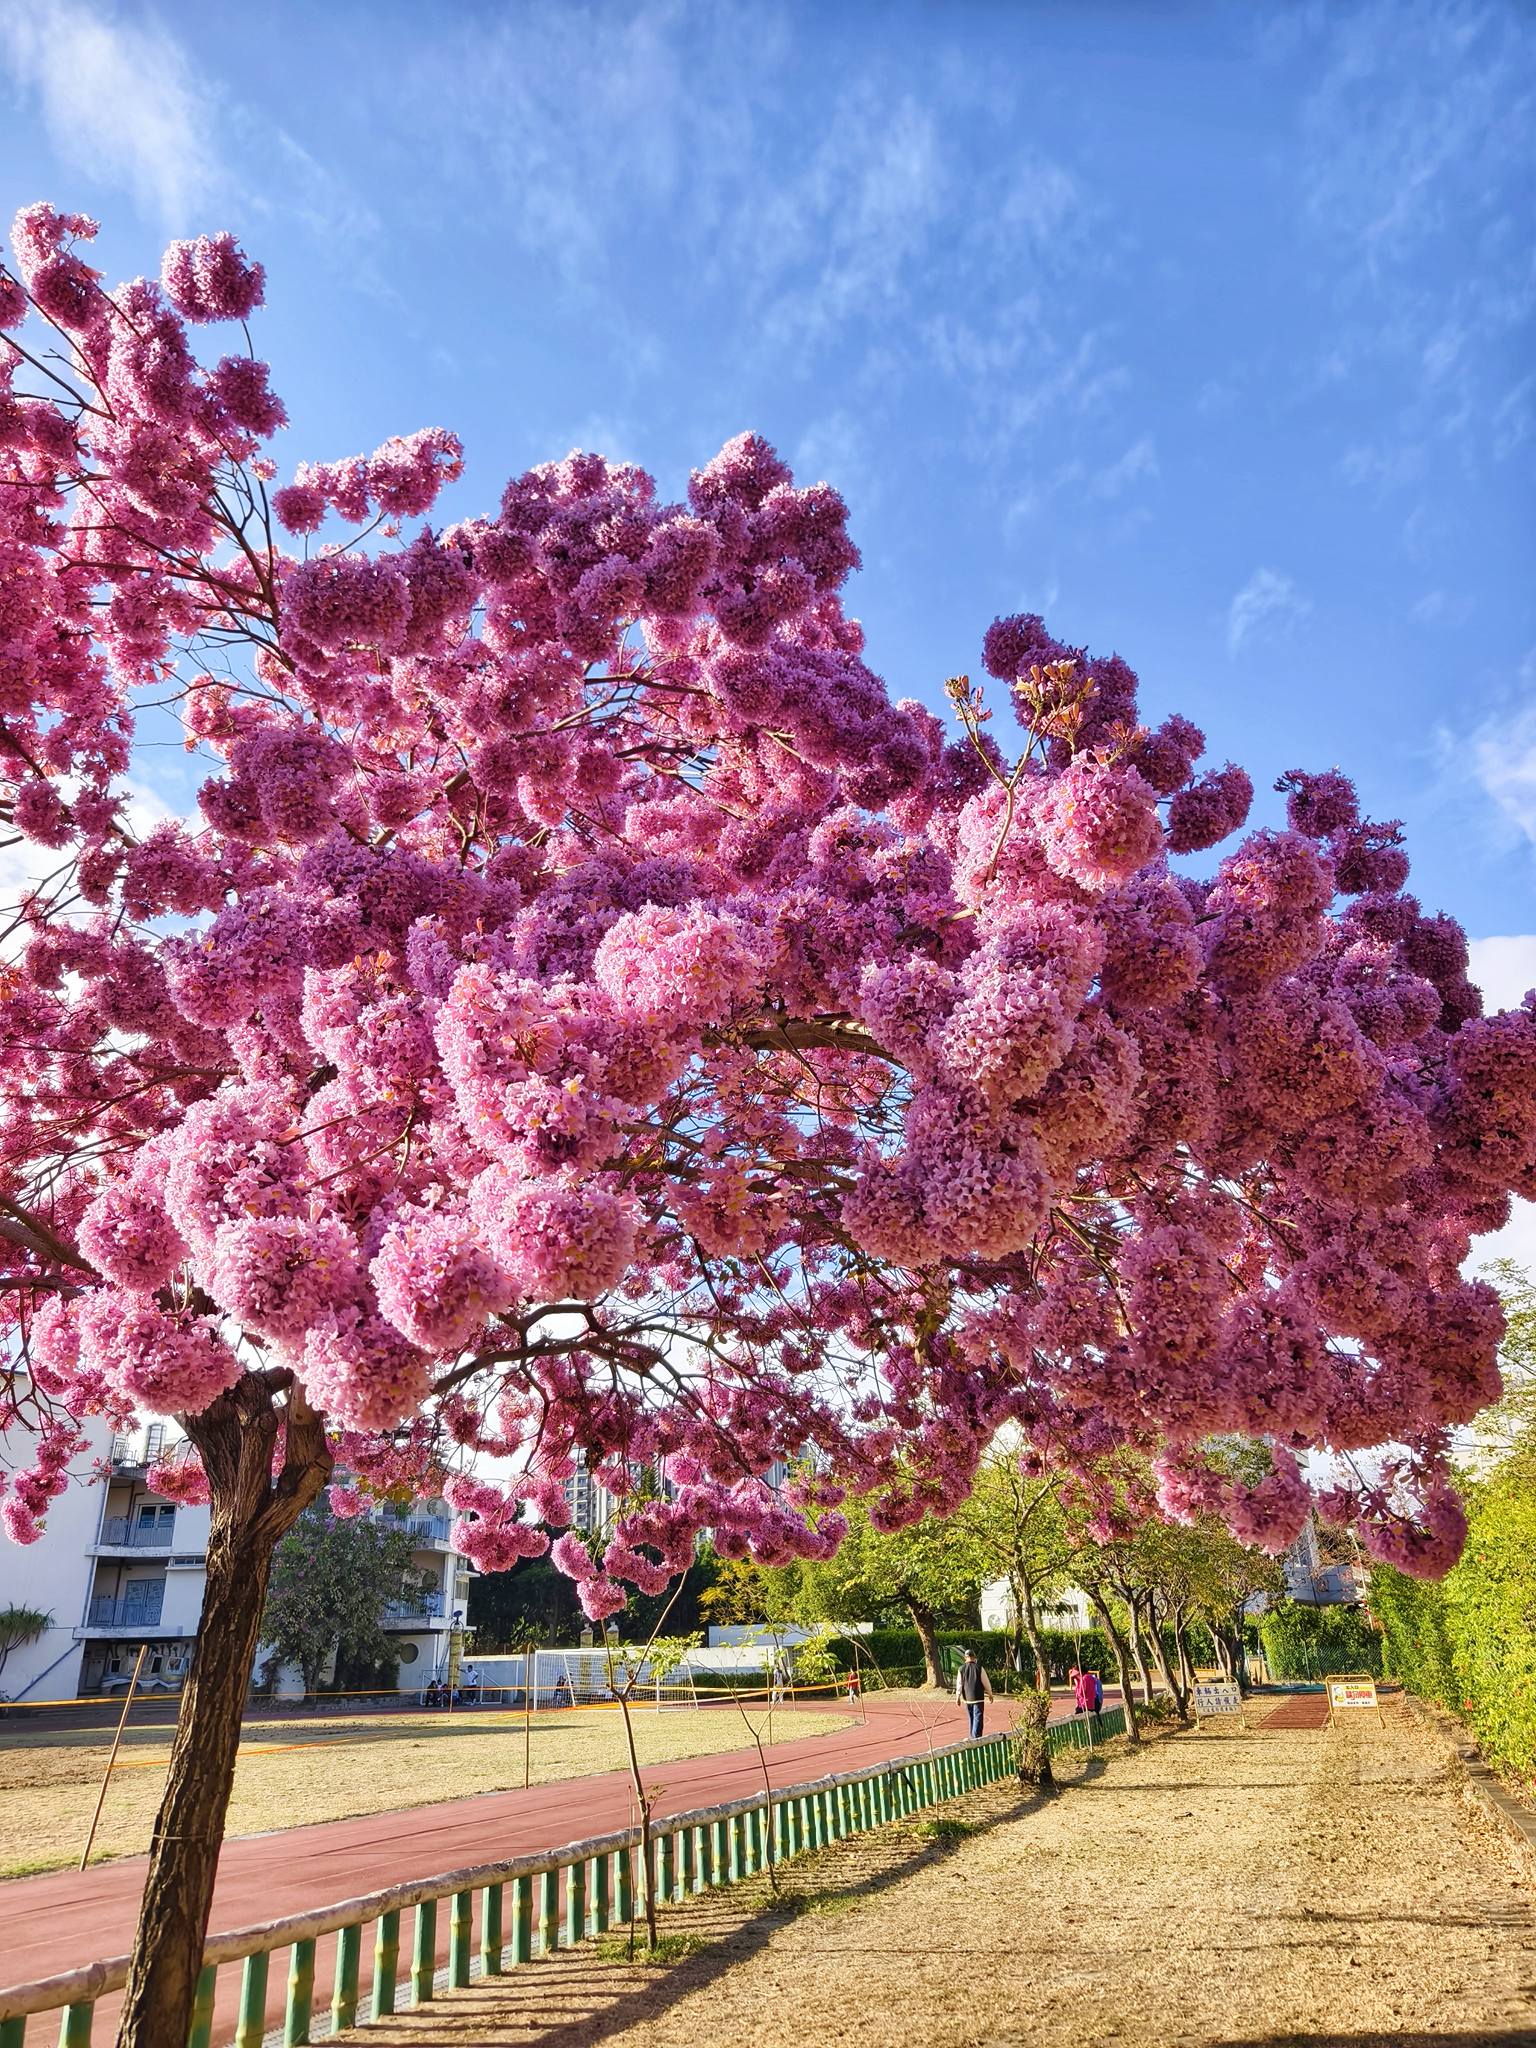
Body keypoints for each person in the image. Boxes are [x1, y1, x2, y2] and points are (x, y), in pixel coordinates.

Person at [954, 1648, 993, 1739]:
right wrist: (990, 1694)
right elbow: (986, 1682)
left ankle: (972, 1736)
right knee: (978, 1718)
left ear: (965, 1658)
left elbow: (959, 1684)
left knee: (971, 1718)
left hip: (967, 1698)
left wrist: (958, 1697)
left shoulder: (961, 1669)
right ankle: (976, 1737)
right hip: (978, 1697)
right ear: (974, 1657)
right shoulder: (979, 1668)